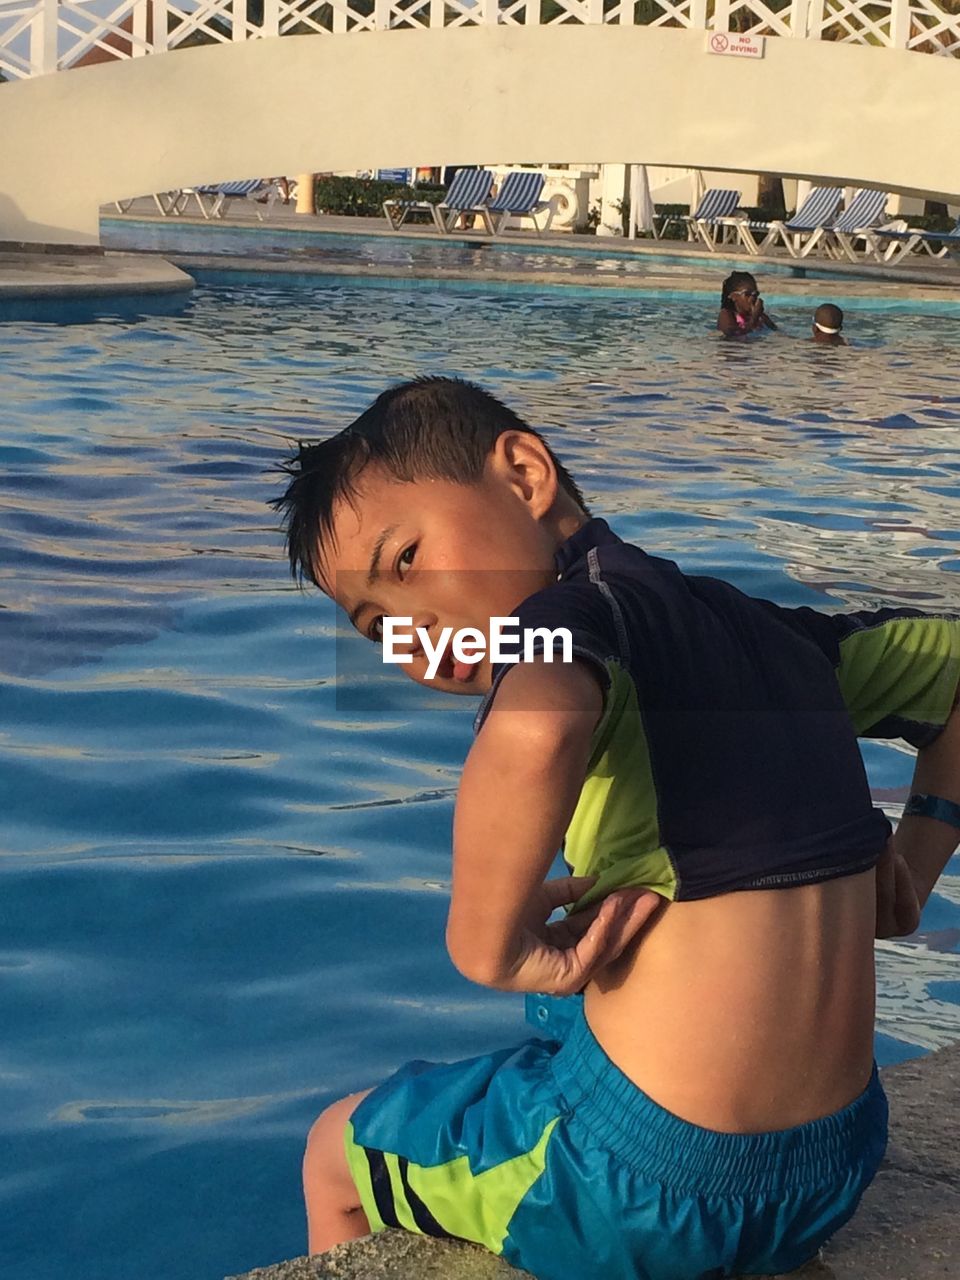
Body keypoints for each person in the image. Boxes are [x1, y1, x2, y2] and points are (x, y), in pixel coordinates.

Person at [271, 377, 959, 1280]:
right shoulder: (777, 634)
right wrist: (918, 850)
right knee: (561, 995)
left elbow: (536, 727)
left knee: (336, 1152)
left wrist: (485, 944)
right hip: (833, 1162)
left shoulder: (565, 621)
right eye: (373, 627)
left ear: (523, 475)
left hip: (640, 1177)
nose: (410, 632)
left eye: (405, 562)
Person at [717, 270, 777, 336]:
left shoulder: (761, 316)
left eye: (755, 294)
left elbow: (776, 331)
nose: (752, 298)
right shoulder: (726, 314)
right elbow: (733, 334)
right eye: (747, 294)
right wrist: (754, 319)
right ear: (733, 296)